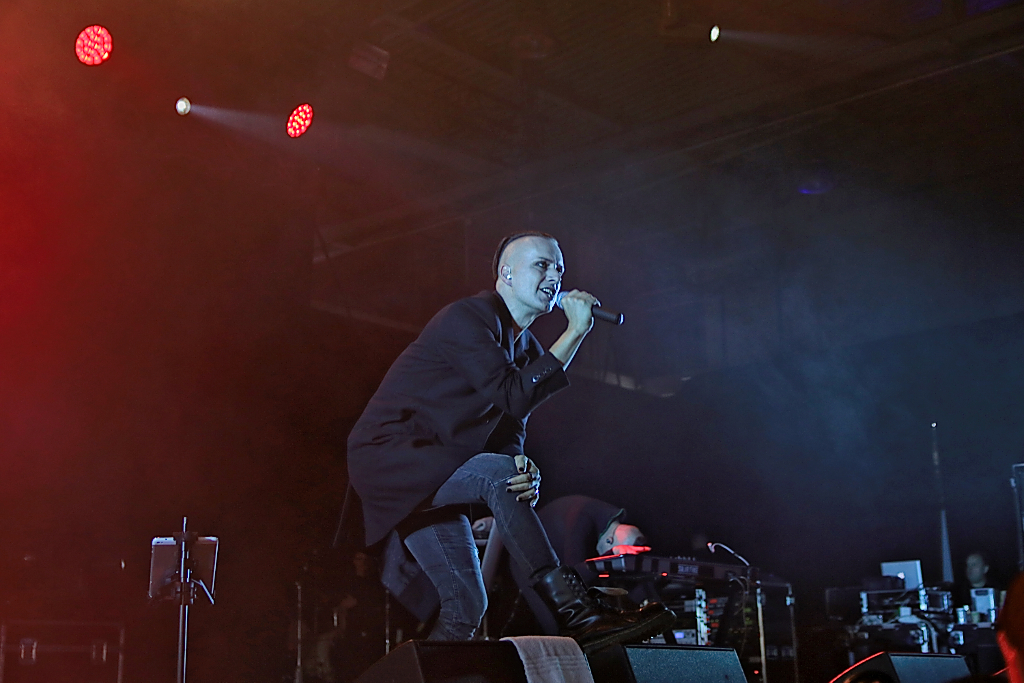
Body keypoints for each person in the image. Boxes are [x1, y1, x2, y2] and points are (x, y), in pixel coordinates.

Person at [346, 232, 674, 650]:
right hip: (390, 454)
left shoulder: (525, 347)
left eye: (559, 269)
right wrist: (576, 330)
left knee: (468, 605)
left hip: (435, 463)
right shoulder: (466, 318)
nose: (555, 276)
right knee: (500, 476)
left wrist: (521, 467)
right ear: (507, 273)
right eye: (542, 265)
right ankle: (576, 614)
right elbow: (513, 394)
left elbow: (511, 425)